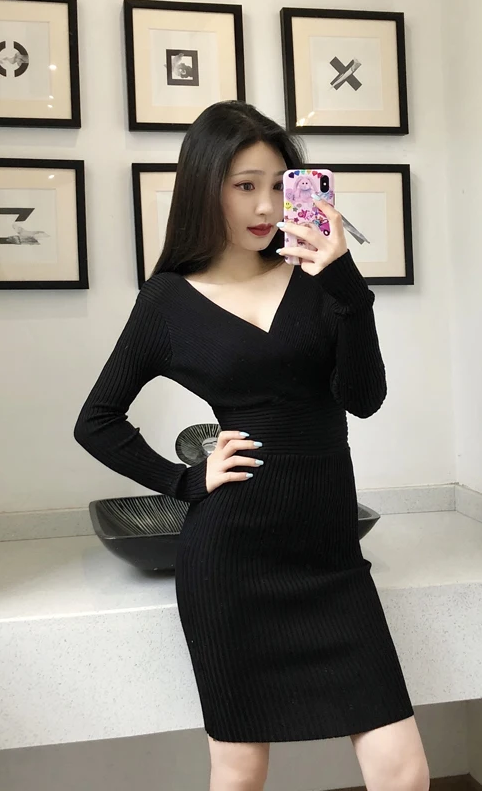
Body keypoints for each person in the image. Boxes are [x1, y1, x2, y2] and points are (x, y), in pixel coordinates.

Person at [74, 100, 430, 791]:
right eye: (244, 185)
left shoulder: (320, 280)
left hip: (330, 557)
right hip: (231, 563)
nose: (266, 205)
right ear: (205, 187)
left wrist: (346, 284)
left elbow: (364, 397)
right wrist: (185, 481)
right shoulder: (168, 301)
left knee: (404, 770)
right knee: (239, 771)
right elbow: (98, 420)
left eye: (277, 183)